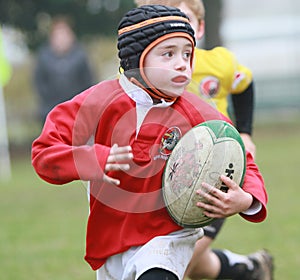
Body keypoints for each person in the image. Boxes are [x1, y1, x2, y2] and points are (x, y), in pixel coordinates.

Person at [31, 5, 268, 280]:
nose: (182, 63)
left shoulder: (196, 111)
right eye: (169, 54)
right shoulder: (97, 101)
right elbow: (45, 153)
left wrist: (246, 199)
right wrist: (94, 159)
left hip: (168, 238)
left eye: (187, 53)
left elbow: (241, 156)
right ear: (137, 59)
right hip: (110, 239)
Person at [134, 1, 273, 279]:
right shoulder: (144, 72)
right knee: (189, 263)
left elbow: (244, 85)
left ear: (200, 26)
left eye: (184, 20)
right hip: (165, 177)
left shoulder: (218, 63)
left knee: (175, 262)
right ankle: (248, 269)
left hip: (214, 173)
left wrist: (245, 133)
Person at [33, 15, 94, 124]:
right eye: (58, 35)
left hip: (76, 111)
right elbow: (39, 82)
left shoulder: (80, 55)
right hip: (50, 111)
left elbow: (88, 82)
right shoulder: (44, 56)